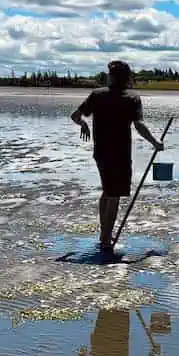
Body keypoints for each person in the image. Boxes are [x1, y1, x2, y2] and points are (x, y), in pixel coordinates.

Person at [71, 60, 164, 252]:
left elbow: (75, 116)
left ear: (112, 76)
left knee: (107, 191)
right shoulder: (131, 98)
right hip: (120, 154)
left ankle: (104, 235)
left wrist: (83, 124)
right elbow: (139, 125)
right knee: (113, 195)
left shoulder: (97, 95)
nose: (107, 76)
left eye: (109, 74)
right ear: (127, 77)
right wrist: (155, 143)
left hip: (101, 153)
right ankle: (105, 241)